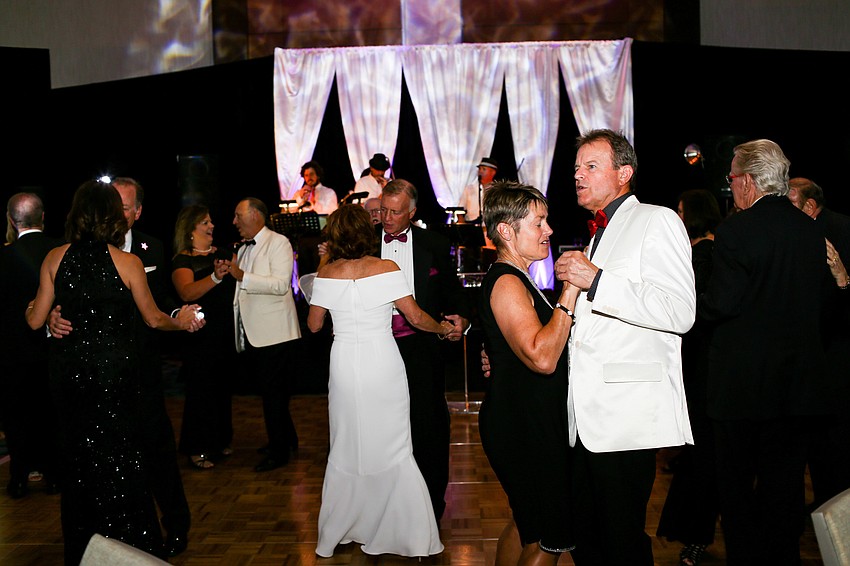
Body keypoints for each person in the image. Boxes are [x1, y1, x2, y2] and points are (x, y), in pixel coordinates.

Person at [25, 179, 204, 565]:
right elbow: (154, 318)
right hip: (115, 377)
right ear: (110, 216)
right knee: (122, 460)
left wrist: (38, 310)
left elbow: (34, 318)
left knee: (80, 462)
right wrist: (181, 322)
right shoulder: (127, 262)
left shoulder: (55, 257)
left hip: (71, 377)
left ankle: (86, 546)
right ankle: (130, 546)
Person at [554, 129, 695, 566]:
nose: (578, 175)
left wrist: (596, 280)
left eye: (591, 166)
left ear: (624, 173)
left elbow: (680, 311)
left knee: (621, 541)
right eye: (576, 168)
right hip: (588, 416)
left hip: (626, 414)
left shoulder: (657, 220)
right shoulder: (598, 233)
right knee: (587, 538)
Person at [698, 141, 835, 564]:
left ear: (749, 181)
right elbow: (819, 304)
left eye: (732, 178)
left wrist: (691, 300)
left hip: (742, 389)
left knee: (737, 494)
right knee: (785, 490)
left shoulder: (735, 231)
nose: (731, 186)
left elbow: (721, 304)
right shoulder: (810, 229)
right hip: (796, 387)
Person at [307, 204, 450, 558]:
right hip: (383, 361)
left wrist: (324, 269)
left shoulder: (326, 273)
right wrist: (442, 328)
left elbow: (313, 325)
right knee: (393, 445)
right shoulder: (386, 268)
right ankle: (406, 532)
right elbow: (415, 317)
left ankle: (346, 525)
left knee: (347, 443)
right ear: (366, 233)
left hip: (344, 363)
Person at [477, 181, 579, 566]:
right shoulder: (507, 280)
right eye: (538, 222)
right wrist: (569, 293)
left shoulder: (517, 278)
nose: (548, 230)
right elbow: (542, 358)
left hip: (523, 418)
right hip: (523, 425)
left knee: (529, 526)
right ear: (506, 231)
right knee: (551, 537)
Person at [378, 179, 470, 521]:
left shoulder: (434, 243)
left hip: (422, 346)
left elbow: (452, 291)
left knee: (428, 425)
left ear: (412, 212)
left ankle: (431, 503)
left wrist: (463, 319)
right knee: (381, 425)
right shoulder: (365, 243)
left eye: (395, 212)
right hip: (376, 346)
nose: (387, 218)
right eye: (383, 210)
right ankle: (385, 502)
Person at [657, 189, 723, 566]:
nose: (677, 218)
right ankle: (694, 532)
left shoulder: (705, 255)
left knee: (704, 455)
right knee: (700, 454)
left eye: (681, 211)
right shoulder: (703, 252)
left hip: (703, 369)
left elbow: (692, 315)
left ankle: (696, 534)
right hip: (700, 366)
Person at [787, 177, 850, 509]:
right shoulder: (803, 232)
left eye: (789, 204)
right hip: (814, 358)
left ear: (809, 206)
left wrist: (843, 279)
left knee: (833, 442)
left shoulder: (838, 230)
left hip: (835, 356)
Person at [229, 197, 302, 472]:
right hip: (256, 331)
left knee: (274, 395)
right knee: (272, 393)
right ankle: (287, 439)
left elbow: (281, 285)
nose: (234, 222)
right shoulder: (244, 247)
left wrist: (242, 276)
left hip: (276, 333)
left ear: (256, 215)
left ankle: (279, 451)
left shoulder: (278, 242)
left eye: (238, 216)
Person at [0, 193, 63, 498]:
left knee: (16, 417)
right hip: (55, 346)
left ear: (12, 220)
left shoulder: (4, 256)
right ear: (43, 217)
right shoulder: (61, 251)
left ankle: (19, 478)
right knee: (52, 414)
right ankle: (54, 476)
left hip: (13, 352)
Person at [171, 205, 236, 469]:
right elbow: (186, 292)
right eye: (205, 222)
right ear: (191, 229)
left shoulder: (224, 254)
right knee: (201, 390)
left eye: (211, 221)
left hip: (224, 330)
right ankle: (197, 446)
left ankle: (220, 440)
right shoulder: (183, 260)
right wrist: (215, 277)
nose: (212, 226)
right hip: (199, 333)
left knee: (222, 387)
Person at [459, 156, 499, 223]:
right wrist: (461, 221)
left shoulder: (497, 190)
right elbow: (460, 209)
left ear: (493, 172)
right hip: (471, 224)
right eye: (479, 169)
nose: (480, 171)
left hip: (491, 224)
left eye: (484, 169)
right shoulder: (469, 189)